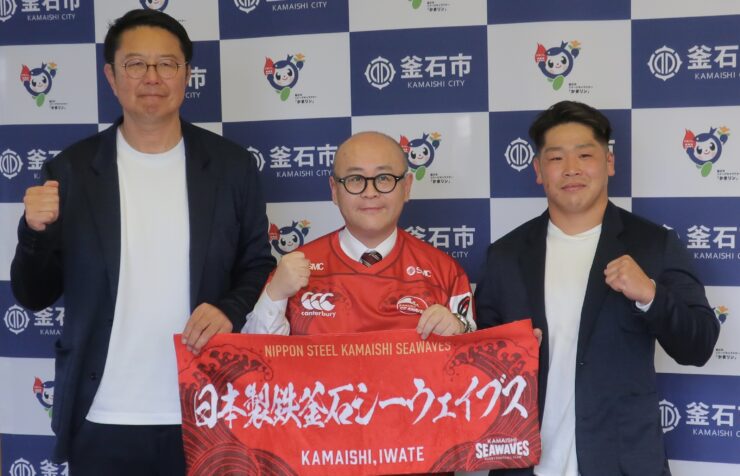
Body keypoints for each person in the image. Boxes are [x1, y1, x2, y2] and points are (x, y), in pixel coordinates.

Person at [10, 9, 275, 475]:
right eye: (135, 64)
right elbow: (34, 294)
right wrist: (34, 233)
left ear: (187, 75)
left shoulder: (231, 167)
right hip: (103, 415)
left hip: (208, 409)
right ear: (112, 77)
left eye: (167, 64)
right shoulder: (71, 171)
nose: (152, 77)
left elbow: (257, 264)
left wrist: (229, 310)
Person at [474, 101, 719, 476]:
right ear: (538, 170)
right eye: (556, 158)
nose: (571, 168)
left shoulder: (654, 245)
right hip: (524, 463)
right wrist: (497, 349)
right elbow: (475, 366)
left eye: (585, 155)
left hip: (621, 463)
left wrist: (651, 295)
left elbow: (699, 345)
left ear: (609, 162)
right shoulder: (505, 255)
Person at [243, 131, 475, 338]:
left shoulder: (445, 272)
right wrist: (275, 295)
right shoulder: (294, 269)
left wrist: (459, 331)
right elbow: (256, 359)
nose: (370, 192)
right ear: (334, 190)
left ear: (406, 187)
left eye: (384, 178)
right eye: (355, 179)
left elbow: (472, 361)